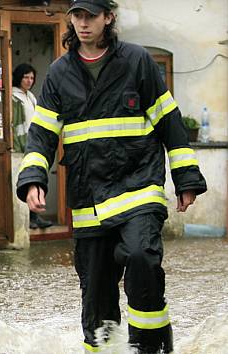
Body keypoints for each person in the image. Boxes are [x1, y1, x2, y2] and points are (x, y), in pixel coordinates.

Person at [16, 1, 207, 353]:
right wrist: (32, 178)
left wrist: (186, 178)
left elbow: (169, 122)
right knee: (96, 295)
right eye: (78, 16)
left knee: (141, 259)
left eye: (91, 15)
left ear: (108, 17)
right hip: (88, 197)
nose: (84, 23)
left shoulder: (137, 62)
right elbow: (41, 133)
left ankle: (151, 348)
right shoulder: (59, 73)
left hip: (139, 187)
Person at [12, 63, 53, 230]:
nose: (29, 81)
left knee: (36, 181)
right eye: (25, 77)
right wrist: (22, 147)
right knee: (27, 183)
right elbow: (17, 125)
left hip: (33, 146)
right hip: (22, 147)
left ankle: (36, 216)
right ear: (19, 78)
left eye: (31, 78)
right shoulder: (15, 97)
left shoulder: (31, 97)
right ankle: (30, 219)